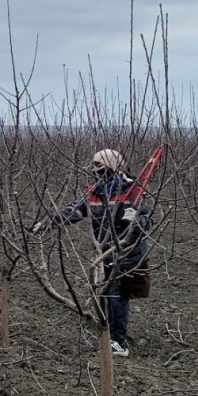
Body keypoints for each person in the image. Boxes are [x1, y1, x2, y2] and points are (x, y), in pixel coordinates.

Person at [33, 149, 152, 358]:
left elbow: (147, 222)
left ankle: (118, 342)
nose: (93, 169)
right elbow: (74, 210)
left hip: (127, 254)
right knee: (105, 295)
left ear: (113, 165)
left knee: (116, 294)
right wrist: (46, 224)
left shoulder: (133, 192)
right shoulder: (94, 192)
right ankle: (109, 335)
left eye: (98, 165)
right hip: (104, 253)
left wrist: (135, 220)